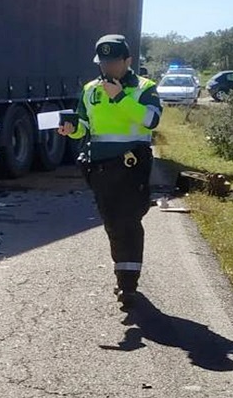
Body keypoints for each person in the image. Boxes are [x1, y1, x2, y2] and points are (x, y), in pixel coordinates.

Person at [58, 34, 162, 309]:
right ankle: (123, 277)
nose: (108, 68)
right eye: (103, 62)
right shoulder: (91, 89)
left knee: (128, 222)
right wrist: (71, 130)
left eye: (114, 62)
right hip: (100, 168)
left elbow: (151, 120)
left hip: (131, 165)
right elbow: (84, 126)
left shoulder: (144, 87)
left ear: (128, 61)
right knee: (113, 225)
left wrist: (120, 99)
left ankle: (128, 286)